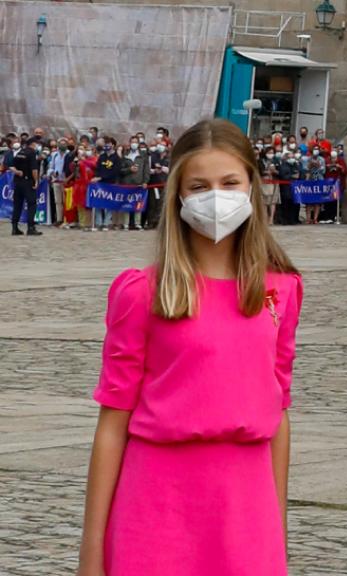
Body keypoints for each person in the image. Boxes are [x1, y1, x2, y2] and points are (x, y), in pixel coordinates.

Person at [76, 118, 301, 576]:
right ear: (178, 194)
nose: (214, 196)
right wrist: (91, 553)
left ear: (252, 188)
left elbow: (278, 415)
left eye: (229, 182)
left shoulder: (280, 291)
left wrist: (276, 532)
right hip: (157, 505)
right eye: (199, 185)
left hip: (245, 507)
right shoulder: (143, 293)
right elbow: (112, 425)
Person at [9, 137, 42, 236]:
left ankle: (15, 228)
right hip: (28, 182)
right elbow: (34, 169)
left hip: (18, 182)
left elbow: (11, 165)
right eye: (37, 144)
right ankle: (31, 228)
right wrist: (36, 181)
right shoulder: (32, 153)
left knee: (17, 205)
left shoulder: (20, 152)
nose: (38, 146)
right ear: (33, 144)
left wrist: (17, 172)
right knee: (32, 204)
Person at [121, 137, 150, 230]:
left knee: (139, 203)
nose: (134, 144)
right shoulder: (125, 155)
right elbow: (121, 170)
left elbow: (146, 170)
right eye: (132, 142)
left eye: (136, 142)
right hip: (127, 183)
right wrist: (129, 169)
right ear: (130, 143)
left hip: (139, 183)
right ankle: (126, 223)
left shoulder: (143, 155)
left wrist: (145, 181)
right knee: (127, 203)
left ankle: (137, 223)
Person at [92, 138, 120, 231]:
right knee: (98, 203)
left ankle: (107, 223)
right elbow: (97, 168)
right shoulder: (102, 156)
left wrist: (101, 177)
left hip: (110, 183)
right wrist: (96, 177)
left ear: (113, 145)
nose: (106, 146)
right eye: (105, 144)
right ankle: (98, 222)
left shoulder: (116, 158)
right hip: (100, 184)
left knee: (109, 204)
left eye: (108, 144)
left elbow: (115, 172)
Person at [144, 141, 170, 229]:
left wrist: (161, 168)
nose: (161, 146)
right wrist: (155, 170)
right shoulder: (153, 156)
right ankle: (150, 222)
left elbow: (170, 170)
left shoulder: (168, 158)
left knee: (161, 204)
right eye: (159, 145)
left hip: (164, 184)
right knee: (152, 204)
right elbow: (148, 169)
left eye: (163, 145)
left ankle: (159, 222)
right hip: (153, 184)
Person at [259, 147, 280, 224]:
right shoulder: (261, 161)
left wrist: (275, 171)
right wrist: (267, 172)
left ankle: (271, 219)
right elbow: (259, 171)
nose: (270, 154)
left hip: (274, 181)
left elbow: (280, 171)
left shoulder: (276, 160)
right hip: (264, 182)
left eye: (272, 152)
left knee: (273, 202)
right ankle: (264, 218)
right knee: (264, 201)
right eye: (269, 152)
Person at [305, 148, 326, 224]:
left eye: (317, 149)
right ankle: (308, 218)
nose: (315, 151)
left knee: (317, 201)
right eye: (314, 149)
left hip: (319, 180)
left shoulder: (322, 159)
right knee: (308, 201)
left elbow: (324, 171)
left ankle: (315, 218)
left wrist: (318, 165)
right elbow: (305, 169)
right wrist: (310, 165)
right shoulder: (308, 159)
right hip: (310, 180)